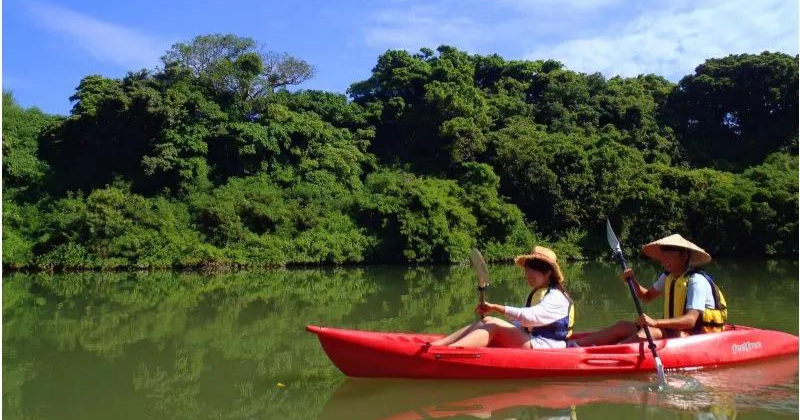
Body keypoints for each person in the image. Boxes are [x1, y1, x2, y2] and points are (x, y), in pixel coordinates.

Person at [569, 234, 727, 347]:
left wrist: (655, 322)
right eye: (663, 257)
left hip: (696, 336)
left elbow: (690, 321)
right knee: (623, 326)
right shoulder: (669, 276)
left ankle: (604, 354)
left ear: (684, 256)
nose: (664, 262)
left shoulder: (696, 281)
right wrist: (632, 281)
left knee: (648, 333)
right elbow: (647, 296)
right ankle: (573, 346)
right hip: (675, 331)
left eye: (669, 257)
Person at [431, 246, 575, 349]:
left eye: (532, 273)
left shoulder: (556, 297)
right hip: (533, 340)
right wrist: (496, 317)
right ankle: (440, 345)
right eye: (527, 272)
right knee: (488, 320)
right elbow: (524, 324)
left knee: (494, 325)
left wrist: (497, 308)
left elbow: (530, 317)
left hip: (547, 346)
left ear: (548, 273)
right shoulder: (538, 293)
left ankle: (448, 351)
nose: (528, 277)